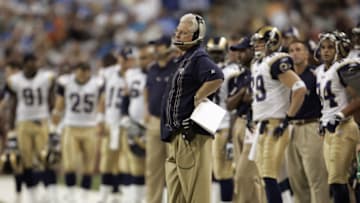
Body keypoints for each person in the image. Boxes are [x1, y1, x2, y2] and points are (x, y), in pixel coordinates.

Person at [160, 13, 224, 203]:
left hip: (190, 136)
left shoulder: (198, 57)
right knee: (176, 196)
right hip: (175, 136)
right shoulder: (185, 58)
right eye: (178, 31)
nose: (178, 35)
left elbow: (217, 76)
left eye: (184, 33)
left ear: (196, 35)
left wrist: (198, 97)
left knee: (196, 195)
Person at [250, 26, 307, 203]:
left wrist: (287, 118)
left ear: (272, 43)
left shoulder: (277, 61)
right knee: (264, 176)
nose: (257, 46)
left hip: (275, 124)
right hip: (262, 125)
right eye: (256, 43)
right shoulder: (258, 64)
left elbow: (299, 88)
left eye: (261, 42)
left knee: (269, 175)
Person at [5, 54, 58, 203]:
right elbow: (13, 103)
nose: (33, 65)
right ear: (24, 64)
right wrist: (11, 128)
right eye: (30, 63)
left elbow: (53, 96)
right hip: (23, 121)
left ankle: (50, 192)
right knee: (26, 161)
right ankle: (32, 193)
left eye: (34, 62)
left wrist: (52, 116)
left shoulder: (46, 78)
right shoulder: (15, 80)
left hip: (41, 120)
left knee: (46, 157)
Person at [315, 31, 360, 203]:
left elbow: (358, 96)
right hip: (329, 130)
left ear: (340, 49)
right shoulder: (322, 71)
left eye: (330, 48)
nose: (325, 51)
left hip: (344, 127)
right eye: (323, 47)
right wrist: (324, 119)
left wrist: (340, 115)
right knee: (338, 179)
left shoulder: (344, 67)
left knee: (337, 179)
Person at [52, 62, 105, 202]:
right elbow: (60, 101)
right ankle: (70, 196)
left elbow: (102, 101)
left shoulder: (97, 83)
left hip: (90, 126)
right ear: (75, 71)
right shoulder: (66, 82)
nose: (82, 75)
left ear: (89, 72)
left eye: (85, 72)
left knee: (89, 165)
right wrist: (56, 115)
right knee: (69, 164)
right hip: (71, 126)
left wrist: (100, 118)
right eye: (80, 72)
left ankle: (84, 196)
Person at [287, 40, 329, 203]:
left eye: (298, 49)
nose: (294, 53)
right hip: (291, 129)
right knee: (296, 179)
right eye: (291, 50)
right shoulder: (286, 76)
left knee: (317, 177)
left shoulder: (315, 74)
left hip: (311, 125)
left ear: (307, 54)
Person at [227, 36, 264, 203]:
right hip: (240, 123)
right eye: (237, 52)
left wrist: (243, 96)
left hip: (254, 124)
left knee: (244, 176)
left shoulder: (261, 71)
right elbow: (229, 104)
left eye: (242, 51)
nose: (239, 55)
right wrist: (242, 94)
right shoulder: (239, 76)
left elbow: (256, 98)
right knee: (248, 177)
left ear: (252, 50)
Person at [144, 35, 178, 203]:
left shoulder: (177, 66)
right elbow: (147, 90)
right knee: (153, 168)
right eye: (155, 46)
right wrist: (146, 110)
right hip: (155, 121)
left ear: (168, 47)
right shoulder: (152, 68)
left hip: (172, 122)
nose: (156, 49)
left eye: (159, 45)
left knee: (174, 167)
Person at [206, 36, 239, 203]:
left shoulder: (232, 72)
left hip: (226, 124)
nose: (215, 57)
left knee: (225, 171)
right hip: (210, 124)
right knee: (216, 171)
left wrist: (232, 136)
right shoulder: (205, 71)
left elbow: (234, 106)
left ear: (226, 52)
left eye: (218, 53)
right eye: (212, 53)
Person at [97, 53, 124, 203]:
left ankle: (117, 192)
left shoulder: (135, 75)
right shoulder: (108, 74)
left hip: (124, 123)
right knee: (109, 160)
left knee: (123, 161)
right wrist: (100, 119)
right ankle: (109, 193)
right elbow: (102, 98)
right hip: (110, 120)